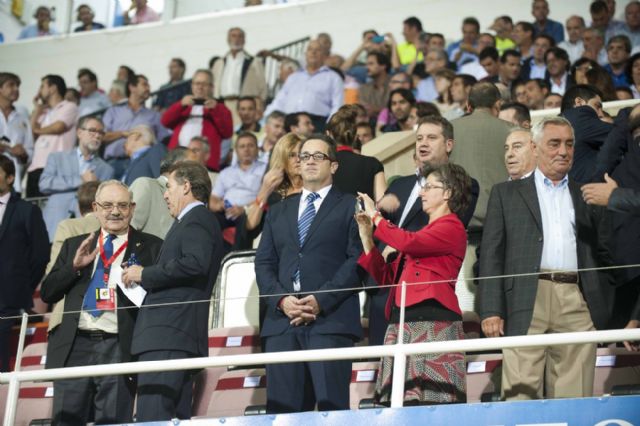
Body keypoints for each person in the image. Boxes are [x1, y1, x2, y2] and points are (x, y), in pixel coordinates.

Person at [478, 116, 614, 400]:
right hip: (526, 296)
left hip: (576, 298)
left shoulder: (587, 194)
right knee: (520, 394)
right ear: (535, 147)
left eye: (569, 144)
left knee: (575, 396)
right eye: (554, 143)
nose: (563, 151)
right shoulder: (506, 193)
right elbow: (492, 253)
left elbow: (604, 253)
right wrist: (491, 308)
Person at [254, 134, 362, 413]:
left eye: (318, 156)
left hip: (330, 322)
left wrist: (320, 300)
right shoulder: (278, 211)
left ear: (334, 166)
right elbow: (264, 263)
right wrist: (281, 300)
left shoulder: (351, 205)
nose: (310, 162)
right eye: (305, 156)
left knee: (331, 413)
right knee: (282, 415)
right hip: (282, 324)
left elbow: (357, 260)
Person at [42, 180, 162, 425]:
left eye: (122, 205)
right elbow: (47, 293)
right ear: (95, 208)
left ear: (132, 207)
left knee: (114, 420)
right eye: (107, 205)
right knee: (66, 419)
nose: (115, 211)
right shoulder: (75, 244)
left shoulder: (152, 246)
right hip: (75, 344)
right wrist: (74, 268)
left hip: (119, 344)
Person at [356, 163, 471, 405]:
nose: (421, 193)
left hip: (433, 323)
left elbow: (407, 243)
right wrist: (367, 237)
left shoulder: (452, 227)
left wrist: (376, 216)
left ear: (448, 192)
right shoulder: (423, 233)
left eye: (428, 187)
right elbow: (386, 277)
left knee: (433, 403)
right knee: (400, 403)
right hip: (402, 324)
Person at [123, 161, 223, 421]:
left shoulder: (197, 219)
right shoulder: (190, 221)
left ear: (187, 186)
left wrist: (143, 274)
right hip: (174, 334)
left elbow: (194, 263)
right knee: (171, 417)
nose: (165, 194)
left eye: (169, 187)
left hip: (169, 334)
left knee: (153, 416)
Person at [0, 156, 49, 372]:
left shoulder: (27, 210)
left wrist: (22, 286)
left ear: (10, 177)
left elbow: (40, 254)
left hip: (9, 297)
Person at [40, 116, 113, 240]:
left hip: (87, 230)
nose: (97, 136)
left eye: (101, 132)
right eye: (92, 130)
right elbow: (44, 184)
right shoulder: (57, 157)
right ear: (79, 132)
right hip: (55, 224)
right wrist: (80, 180)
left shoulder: (107, 169)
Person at [45, 181, 101, 334]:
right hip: (113, 316)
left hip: (69, 315)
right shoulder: (123, 226)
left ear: (79, 206)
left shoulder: (68, 226)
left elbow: (52, 275)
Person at [264, 39, 344, 132]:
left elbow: (337, 105)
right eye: (310, 49)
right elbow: (280, 101)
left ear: (325, 56)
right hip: (290, 123)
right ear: (305, 54)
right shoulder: (293, 77)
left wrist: (329, 127)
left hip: (317, 124)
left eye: (317, 50)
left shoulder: (333, 78)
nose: (313, 52)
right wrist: (267, 117)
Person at [162, 69, 233, 171]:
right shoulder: (184, 105)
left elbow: (227, 132)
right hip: (177, 162)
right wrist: (180, 105)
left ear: (211, 87)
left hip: (205, 165)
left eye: (204, 84)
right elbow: (165, 121)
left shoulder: (219, 107)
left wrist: (216, 109)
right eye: (197, 83)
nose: (200, 87)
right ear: (192, 85)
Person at [102, 74, 169, 179]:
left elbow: (163, 140)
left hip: (141, 162)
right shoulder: (113, 111)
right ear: (132, 87)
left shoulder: (154, 115)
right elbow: (101, 136)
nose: (148, 88)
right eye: (144, 85)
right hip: (113, 164)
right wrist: (122, 134)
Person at [27, 74, 79, 197]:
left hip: (57, 167)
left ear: (53, 88)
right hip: (35, 167)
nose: (39, 91)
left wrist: (37, 130)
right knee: (32, 208)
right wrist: (37, 110)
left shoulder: (69, 106)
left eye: (42, 86)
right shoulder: (42, 112)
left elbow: (58, 127)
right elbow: (30, 135)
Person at [129, 148, 190, 239]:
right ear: (179, 166)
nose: (199, 171)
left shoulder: (189, 200)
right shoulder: (146, 185)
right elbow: (127, 227)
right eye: (195, 166)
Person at [328, 105, 386, 201]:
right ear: (356, 136)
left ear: (329, 135)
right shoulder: (372, 163)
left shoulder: (323, 163)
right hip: (363, 214)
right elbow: (382, 203)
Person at [210, 132, 267, 229]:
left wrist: (244, 209)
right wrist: (219, 205)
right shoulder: (225, 172)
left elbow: (265, 196)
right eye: (242, 146)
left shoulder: (265, 170)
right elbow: (213, 198)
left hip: (250, 213)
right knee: (209, 220)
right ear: (236, 150)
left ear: (257, 149)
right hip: (225, 213)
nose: (246, 149)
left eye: (250, 145)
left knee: (244, 221)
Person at [212, 27, 267, 125]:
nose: (237, 39)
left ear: (244, 40)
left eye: (240, 36)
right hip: (222, 104)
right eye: (233, 36)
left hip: (244, 106)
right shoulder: (219, 63)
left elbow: (262, 88)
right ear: (228, 39)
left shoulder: (254, 62)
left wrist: (259, 106)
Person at [560, 84, 611, 183]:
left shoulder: (560, 121)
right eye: (597, 106)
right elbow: (622, 134)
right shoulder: (579, 118)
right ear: (579, 102)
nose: (600, 113)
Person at [0, 72, 33, 194]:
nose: (16, 89)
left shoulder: (23, 118)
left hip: (13, 183)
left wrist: (23, 154)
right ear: (0, 88)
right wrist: (8, 148)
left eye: (17, 86)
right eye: (11, 85)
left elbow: (30, 150)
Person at [359, 51, 391, 121]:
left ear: (383, 66)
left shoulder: (394, 84)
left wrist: (376, 110)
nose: (367, 67)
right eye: (366, 64)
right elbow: (365, 110)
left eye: (371, 64)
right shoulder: (364, 88)